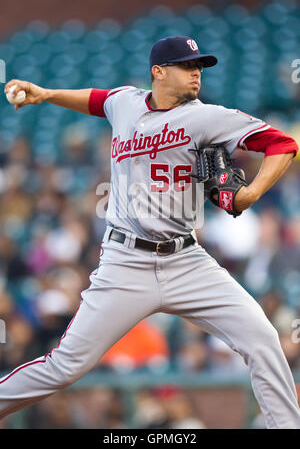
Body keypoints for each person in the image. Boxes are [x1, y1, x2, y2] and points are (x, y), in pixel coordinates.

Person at [1, 36, 300, 429]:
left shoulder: (208, 117)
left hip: (187, 260)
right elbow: (96, 99)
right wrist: (46, 94)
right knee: (65, 366)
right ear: (158, 72)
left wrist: (250, 193)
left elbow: (283, 144)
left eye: (199, 67)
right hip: (125, 262)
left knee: (262, 339)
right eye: (186, 65)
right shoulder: (125, 102)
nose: (196, 73)